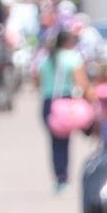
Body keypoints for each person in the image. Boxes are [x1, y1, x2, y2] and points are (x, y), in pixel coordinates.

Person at [36, 28, 88, 193]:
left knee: (55, 143)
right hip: (65, 102)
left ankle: (60, 178)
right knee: (65, 143)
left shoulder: (45, 59)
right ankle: (65, 178)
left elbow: (37, 81)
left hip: (48, 103)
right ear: (68, 42)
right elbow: (82, 83)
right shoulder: (72, 57)